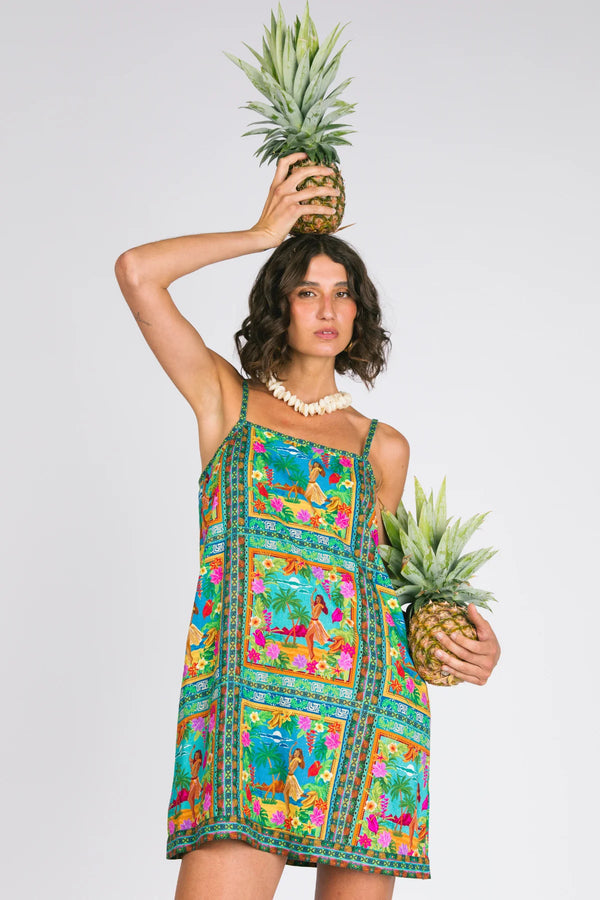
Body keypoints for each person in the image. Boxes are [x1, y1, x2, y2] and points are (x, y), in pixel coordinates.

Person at [115, 152, 501, 900]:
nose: (327, 309)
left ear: (359, 313)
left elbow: (390, 588)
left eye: (342, 293)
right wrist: (263, 234)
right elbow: (137, 272)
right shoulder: (226, 402)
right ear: (279, 306)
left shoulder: (382, 446)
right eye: (306, 291)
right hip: (249, 705)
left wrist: (465, 645)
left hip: (371, 709)